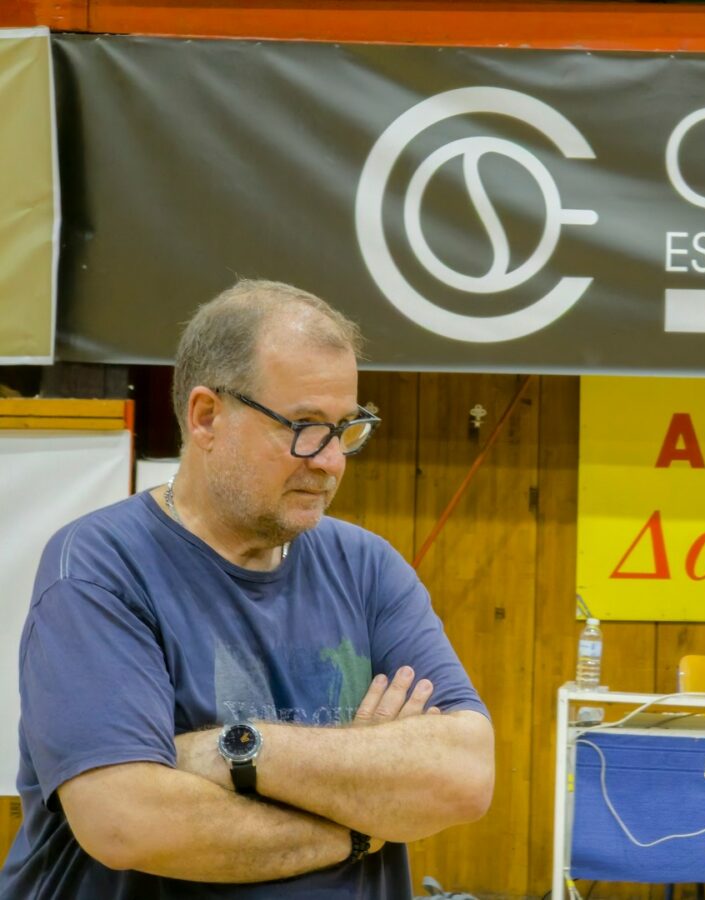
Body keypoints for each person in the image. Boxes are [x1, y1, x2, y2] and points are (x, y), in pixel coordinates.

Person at [0, 280, 495, 898]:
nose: (331, 460)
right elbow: (126, 821)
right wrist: (356, 826)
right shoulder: (101, 567)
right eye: (305, 426)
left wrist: (237, 751)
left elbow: (464, 775)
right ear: (207, 417)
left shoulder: (368, 567)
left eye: (346, 428)